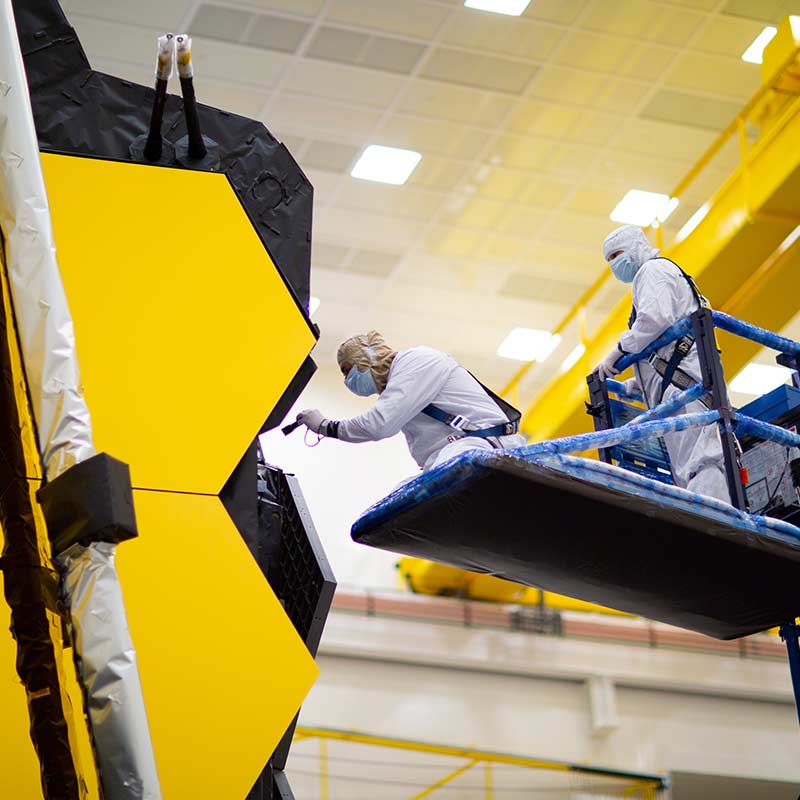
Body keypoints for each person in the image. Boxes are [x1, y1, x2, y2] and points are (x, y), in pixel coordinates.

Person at [594, 224, 730, 504]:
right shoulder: (654, 276)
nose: (614, 264)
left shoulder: (652, 271)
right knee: (690, 465)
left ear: (636, 246)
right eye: (609, 260)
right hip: (681, 389)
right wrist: (639, 383)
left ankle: (714, 526)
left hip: (686, 390)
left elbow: (654, 320)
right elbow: (664, 343)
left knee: (701, 460)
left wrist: (618, 350)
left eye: (617, 254)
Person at [295, 331, 525, 471]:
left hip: (481, 447)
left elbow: (378, 425)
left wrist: (325, 426)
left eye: (348, 371)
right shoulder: (399, 387)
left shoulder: (417, 361)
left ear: (368, 359)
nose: (348, 381)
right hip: (452, 456)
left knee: (441, 481)